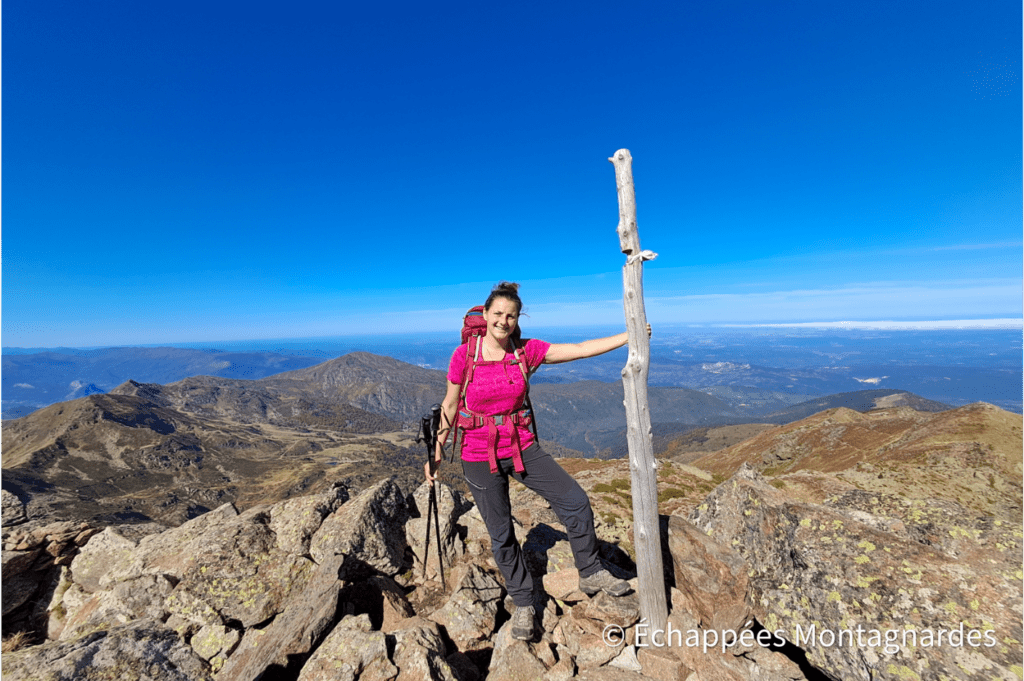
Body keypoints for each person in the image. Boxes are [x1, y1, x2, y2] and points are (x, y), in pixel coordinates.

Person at [425, 281, 649, 641]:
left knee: (574, 500)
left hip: (521, 445)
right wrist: (437, 450)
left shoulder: (524, 352)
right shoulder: (464, 355)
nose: (503, 321)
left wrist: (629, 335)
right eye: (498, 314)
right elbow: (450, 405)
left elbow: (579, 349)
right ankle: (525, 602)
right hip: (478, 454)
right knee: (501, 535)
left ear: (517, 320)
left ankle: (590, 571)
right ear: (485, 315)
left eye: (510, 316)